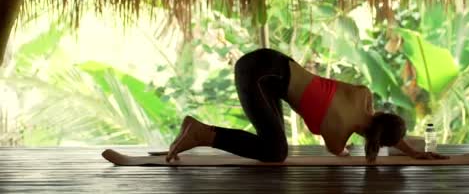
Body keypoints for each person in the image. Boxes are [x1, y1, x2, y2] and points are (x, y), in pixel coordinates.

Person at [165, 48, 448, 163]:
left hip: (271, 67)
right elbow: (339, 151)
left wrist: (411, 151)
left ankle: (194, 128)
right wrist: (405, 151)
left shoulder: (363, 95)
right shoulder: (337, 137)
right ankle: (203, 133)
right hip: (261, 74)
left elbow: (382, 126)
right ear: (375, 141)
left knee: (274, 142)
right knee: (275, 151)